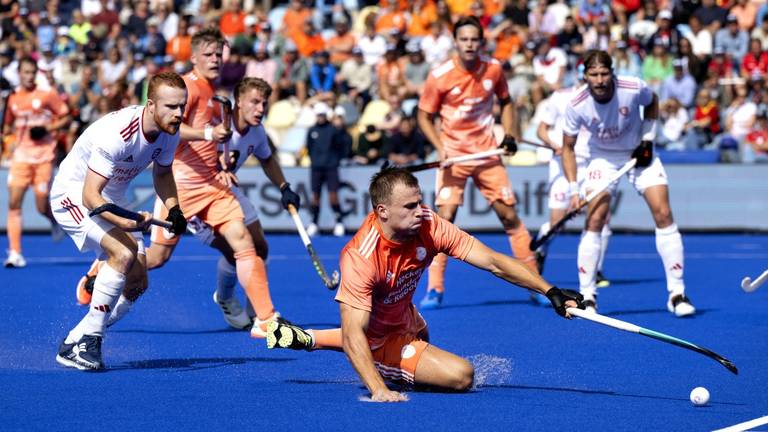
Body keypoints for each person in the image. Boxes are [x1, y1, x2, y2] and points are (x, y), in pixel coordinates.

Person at [265, 168, 585, 401]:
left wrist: (550, 290)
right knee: (460, 376)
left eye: (419, 202)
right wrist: (379, 390)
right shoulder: (360, 257)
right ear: (382, 211)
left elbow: (492, 261)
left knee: (423, 341)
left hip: (404, 315)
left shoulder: (428, 224)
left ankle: (304, 337)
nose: (421, 212)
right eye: (410, 207)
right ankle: (371, 358)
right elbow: (352, 334)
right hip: (376, 338)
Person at [76, 29, 300, 338]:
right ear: (193, 57)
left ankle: (265, 320)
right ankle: (101, 268)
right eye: (209, 54)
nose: (216, 60)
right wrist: (208, 135)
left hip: (212, 185)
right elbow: (172, 130)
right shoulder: (188, 89)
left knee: (245, 244)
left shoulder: (213, 90)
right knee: (156, 258)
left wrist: (221, 162)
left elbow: (219, 142)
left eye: (219, 55)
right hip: (181, 186)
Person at [51, 72, 188, 370]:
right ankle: (91, 340)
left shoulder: (170, 131)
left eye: (182, 106)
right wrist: (127, 224)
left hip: (110, 195)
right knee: (123, 253)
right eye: (171, 107)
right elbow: (90, 196)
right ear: (151, 105)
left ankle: (75, 339)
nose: (179, 114)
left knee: (138, 282)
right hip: (72, 194)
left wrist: (174, 209)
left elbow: (163, 174)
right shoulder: (118, 134)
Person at [416, 16, 539, 309]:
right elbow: (423, 116)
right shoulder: (440, 75)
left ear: (481, 42)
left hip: (486, 153)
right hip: (454, 156)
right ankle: (435, 289)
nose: (469, 45)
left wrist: (508, 133)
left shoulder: (494, 69)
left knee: (509, 216)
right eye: (464, 40)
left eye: (474, 40)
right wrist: (440, 147)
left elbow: (507, 101)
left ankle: (536, 283)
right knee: (444, 221)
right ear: (456, 42)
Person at [561, 50, 696, 317]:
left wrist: (647, 139)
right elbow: (567, 148)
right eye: (593, 74)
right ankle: (587, 296)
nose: (599, 80)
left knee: (664, 213)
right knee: (595, 219)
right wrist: (574, 190)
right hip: (602, 158)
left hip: (638, 153)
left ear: (612, 72)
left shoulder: (633, 87)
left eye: (604, 73)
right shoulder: (576, 103)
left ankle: (677, 293)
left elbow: (653, 101)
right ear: (584, 75)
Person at [534, 80, 612, 287]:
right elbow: (542, 129)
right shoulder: (560, 97)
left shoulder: (605, 99)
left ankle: (597, 270)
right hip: (562, 166)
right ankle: (541, 248)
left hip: (590, 165)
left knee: (602, 217)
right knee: (557, 223)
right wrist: (553, 144)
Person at [4, 56, 71, 268]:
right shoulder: (13, 99)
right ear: (19, 74)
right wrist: (10, 139)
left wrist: (47, 129)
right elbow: (7, 126)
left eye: (32, 73)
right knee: (14, 203)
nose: (29, 76)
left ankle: (53, 220)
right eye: (25, 72)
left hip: (44, 156)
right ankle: (15, 252)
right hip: (21, 157)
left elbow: (66, 116)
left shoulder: (47, 96)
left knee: (41, 204)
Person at [305, 102, 350, 237]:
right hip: (316, 168)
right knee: (315, 197)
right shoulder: (311, 131)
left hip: (331, 167)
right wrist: (315, 160)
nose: (320, 117)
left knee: (333, 197)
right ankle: (314, 223)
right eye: (318, 115)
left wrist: (334, 160)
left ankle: (339, 222)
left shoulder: (333, 130)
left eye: (323, 115)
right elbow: (309, 148)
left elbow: (341, 146)